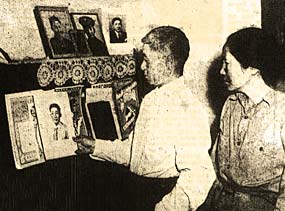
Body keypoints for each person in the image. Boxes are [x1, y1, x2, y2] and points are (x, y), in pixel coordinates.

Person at [74, 26, 215, 210]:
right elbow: (134, 153)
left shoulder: (187, 108)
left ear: (167, 63)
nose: (142, 67)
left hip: (163, 195)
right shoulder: (150, 99)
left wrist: (164, 208)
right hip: (138, 191)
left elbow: (198, 175)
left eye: (147, 61)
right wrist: (96, 146)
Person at [207, 27, 285, 211]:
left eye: (227, 64)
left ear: (251, 68)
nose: (221, 71)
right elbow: (214, 166)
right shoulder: (230, 105)